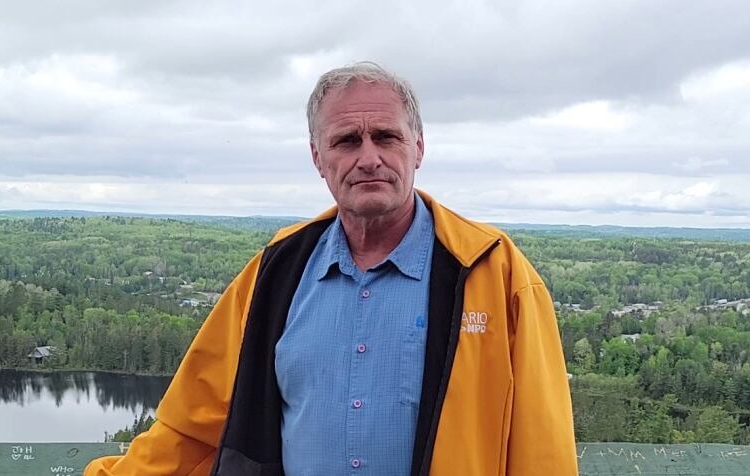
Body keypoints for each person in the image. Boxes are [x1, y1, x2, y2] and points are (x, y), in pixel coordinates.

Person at [85, 62, 577, 476]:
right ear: (318, 156)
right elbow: (193, 421)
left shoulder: (494, 272)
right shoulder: (276, 272)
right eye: (346, 140)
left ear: (419, 147)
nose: (369, 158)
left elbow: (542, 448)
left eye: (386, 137)